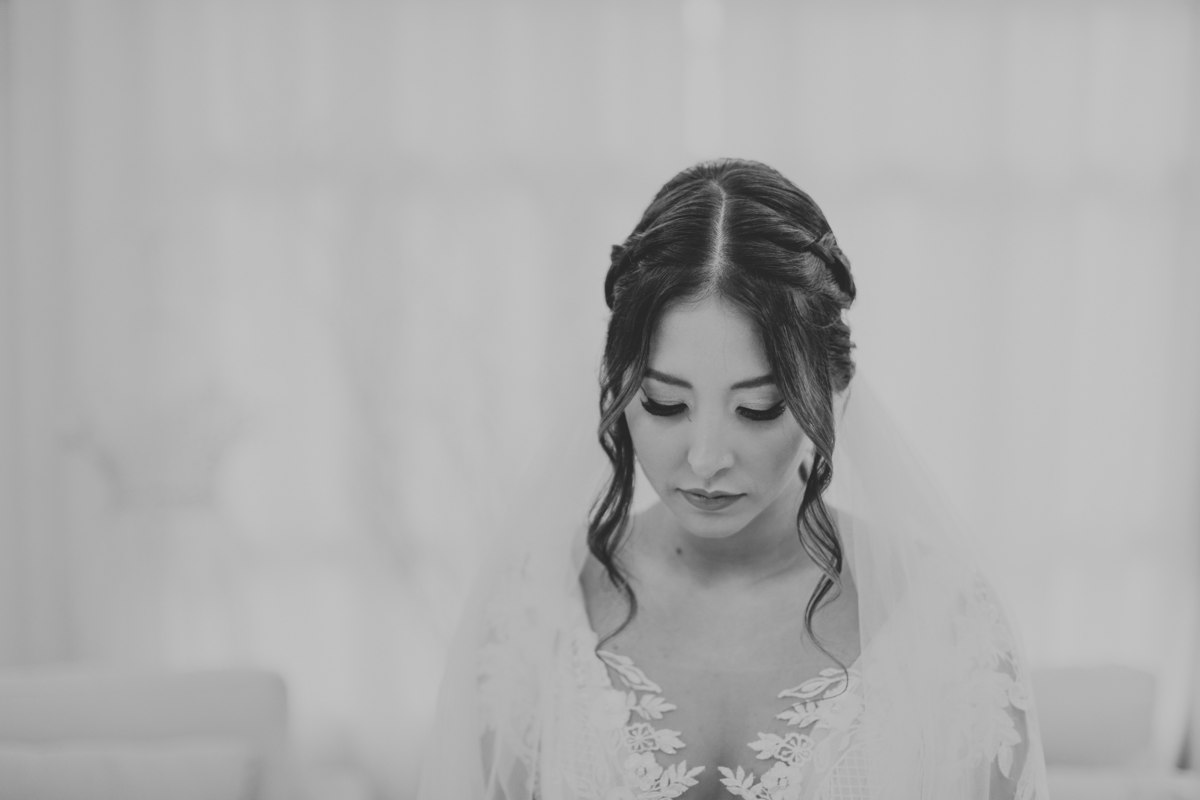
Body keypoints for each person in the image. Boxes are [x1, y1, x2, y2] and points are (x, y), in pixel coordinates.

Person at [418, 159, 1049, 800]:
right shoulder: (534, 610)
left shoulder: (946, 626)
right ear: (619, 385)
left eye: (757, 408)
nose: (706, 459)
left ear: (830, 390)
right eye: (665, 403)